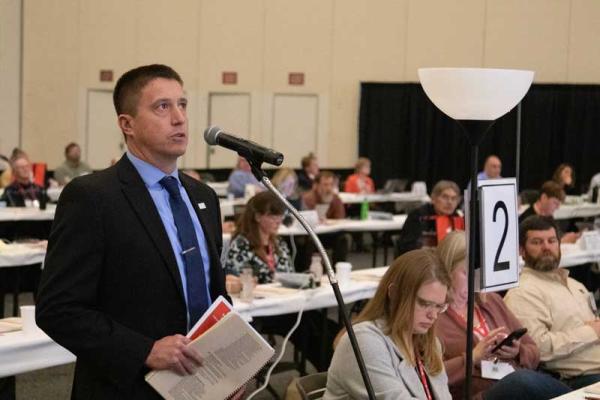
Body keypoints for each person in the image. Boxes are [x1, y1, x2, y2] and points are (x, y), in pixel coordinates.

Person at [36, 65, 234, 400]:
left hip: (202, 383)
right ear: (127, 124)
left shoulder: (203, 197)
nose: (179, 118)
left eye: (182, 104)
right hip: (128, 387)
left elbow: (213, 292)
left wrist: (229, 369)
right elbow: (58, 309)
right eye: (162, 107)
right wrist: (144, 350)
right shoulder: (93, 197)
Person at [436, 231, 570, 400]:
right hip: (478, 395)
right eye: (466, 273)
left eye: (478, 272)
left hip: (517, 388)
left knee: (523, 381)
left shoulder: (491, 301)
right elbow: (426, 377)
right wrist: (472, 358)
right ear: (447, 271)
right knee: (521, 380)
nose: (475, 280)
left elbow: (534, 352)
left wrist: (517, 352)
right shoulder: (433, 316)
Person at [324, 249, 453, 399]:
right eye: (424, 303)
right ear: (394, 294)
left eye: (439, 306)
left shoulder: (429, 344)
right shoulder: (364, 341)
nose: (433, 315)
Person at [505, 215, 600, 390]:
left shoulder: (575, 285)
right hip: (580, 379)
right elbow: (538, 349)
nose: (546, 247)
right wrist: (591, 332)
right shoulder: (523, 292)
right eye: (537, 242)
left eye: (551, 241)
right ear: (521, 250)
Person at [223, 191, 293, 286]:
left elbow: (291, 275)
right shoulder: (241, 246)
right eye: (272, 216)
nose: (278, 221)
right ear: (258, 217)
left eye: (280, 216)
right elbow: (238, 280)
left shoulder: (280, 244)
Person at [394, 180, 464, 257]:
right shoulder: (419, 216)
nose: (450, 202)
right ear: (433, 198)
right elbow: (407, 246)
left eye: (454, 198)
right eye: (445, 197)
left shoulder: (456, 217)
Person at [300, 171, 349, 269]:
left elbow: (341, 218)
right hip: (312, 235)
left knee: (343, 238)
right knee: (309, 242)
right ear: (316, 185)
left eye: (331, 184)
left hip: (329, 233)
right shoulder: (308, 198)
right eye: (325, 185)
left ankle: (337, 270)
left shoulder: (335, 198)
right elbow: (306, 219)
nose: (328, 188)